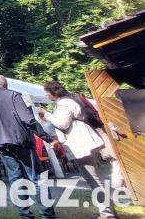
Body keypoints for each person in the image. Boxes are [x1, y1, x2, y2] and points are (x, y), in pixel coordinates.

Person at [0, 75, 56, 219]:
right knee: (38, 179)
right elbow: (29, 120)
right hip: (21, 142)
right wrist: (47, 138)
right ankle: (47, 215)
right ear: (5, 85)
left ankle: (25, 215)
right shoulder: (13, 95)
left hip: (1, 144)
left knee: (16, 180)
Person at [38, 81, 117, 219]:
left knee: (93, 179)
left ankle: (107, 214)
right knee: (94, 178)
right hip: (83, 142)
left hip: (81, 144)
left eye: (47, 92)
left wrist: (46, 114)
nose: (46, 95)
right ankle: (108, 211)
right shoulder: (65, 102)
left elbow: (62, 124)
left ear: (53, 92)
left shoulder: (64, 103)